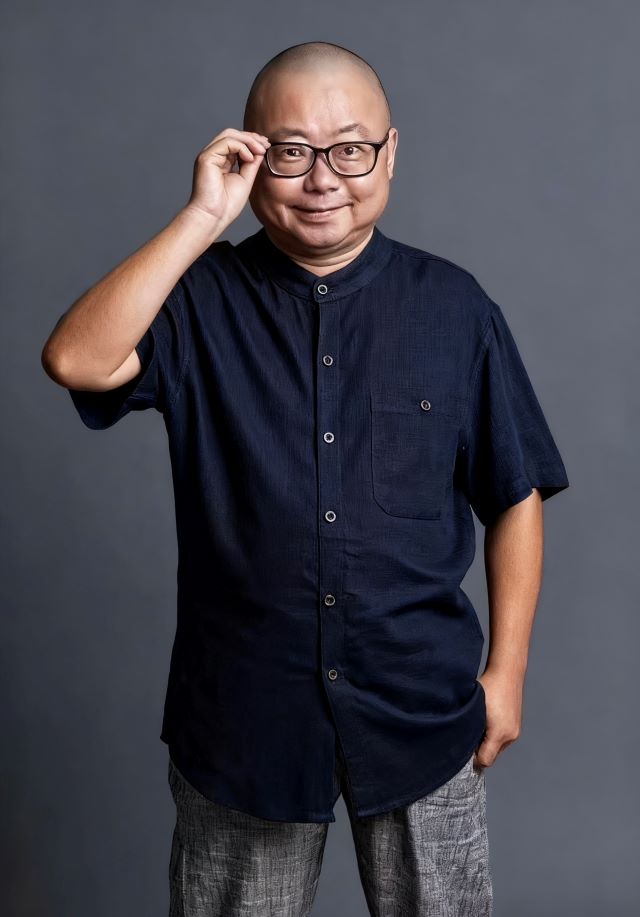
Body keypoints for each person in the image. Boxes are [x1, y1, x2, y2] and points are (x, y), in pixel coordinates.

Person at [42, 40, 569, 917]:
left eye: (350, 149)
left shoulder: (455, 307)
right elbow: (75, 360)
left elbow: (515, 494)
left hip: (421, 710)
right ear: (249, 156)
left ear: (390, 154)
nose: (323, 178)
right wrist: (204, 217)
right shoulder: (196, 299)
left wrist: (506, 672)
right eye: (290, 152)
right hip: (245, 720)